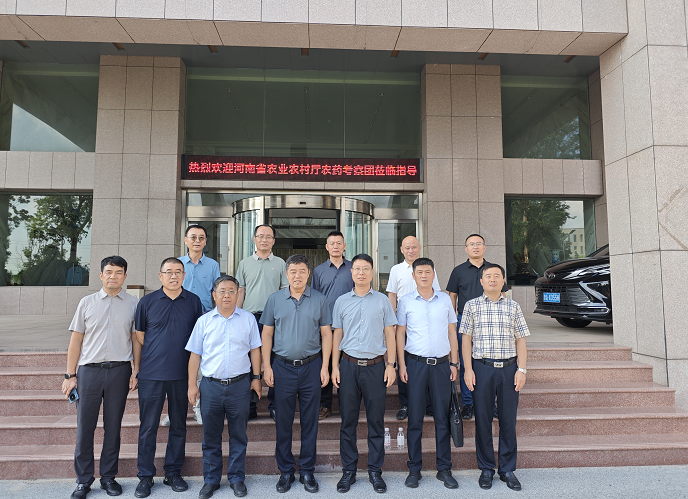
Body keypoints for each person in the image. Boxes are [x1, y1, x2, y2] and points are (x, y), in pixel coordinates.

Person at [62, 256, 140, 499]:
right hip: (89, 372)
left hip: (119, 371)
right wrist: (70, 375)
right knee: (85, 428)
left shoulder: (134, 303)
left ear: (125, 276)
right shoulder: (87, 303)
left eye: (118, 272)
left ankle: (108, 477)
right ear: (101, 275)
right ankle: (83, 480)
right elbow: (76, 340)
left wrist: (136, 369)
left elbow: (136, 339)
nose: (113, 276)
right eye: (109, 272)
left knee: (113, 427)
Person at [185, 275, 263, 499]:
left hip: (240, 385)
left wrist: (256, 378)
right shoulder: (204, 321)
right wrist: (192, 384)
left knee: (239, 434)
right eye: (222, 291)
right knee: (211, 436)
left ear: (238, 294)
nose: (227, 295)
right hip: (211, 386)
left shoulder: (248, 319)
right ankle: (211, 479)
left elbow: (255, 350)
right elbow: (195, 355)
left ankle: (237, 478)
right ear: (214, 295)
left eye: (231, 291)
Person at [260, 254, 332, 494]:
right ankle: (286, 471)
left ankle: (308, 471)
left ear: (308, 273)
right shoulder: (275, 299)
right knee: (283, 421)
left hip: (312, 366)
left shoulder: (320, 299)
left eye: (302, 271)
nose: (297, 275)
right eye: (293, 271)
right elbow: (267, 334)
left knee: (310, 421)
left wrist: (325, 367)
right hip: (282, 367)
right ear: (287, 274)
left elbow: (326, 334)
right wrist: (267, 366)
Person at [133, 257, 203, 498]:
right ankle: (145, 476)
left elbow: (198, 339)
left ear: (184, 275)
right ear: (160, 276)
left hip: (182, 374)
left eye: (178, 272)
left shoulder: (193, 301)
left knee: (178, 425)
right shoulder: (147, 302)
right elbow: (140, 335)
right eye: (169, 272)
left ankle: (173, 472)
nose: (174, 276)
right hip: (151, 374)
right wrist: (139, 367)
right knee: (148, 426)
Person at [331, 253, 397, 493]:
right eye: (357, 268)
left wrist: (391, 364)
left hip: (375, 367)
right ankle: (348, 471)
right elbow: (337, 335)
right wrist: (334, 366)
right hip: (348, 366)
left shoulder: (382, 301)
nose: (361, 272)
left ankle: (375, 471)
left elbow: (390, 333)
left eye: (366, 268)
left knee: (375, 422)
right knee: (347, 421)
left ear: (372, 272)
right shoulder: (341, 301)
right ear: (352, 272)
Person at [461, 263, 530, 492]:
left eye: (497, 276)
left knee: (508, 420)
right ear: (481, 281)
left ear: (503, 281)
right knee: (482, 419)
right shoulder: (471, 306)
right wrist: (468, 369)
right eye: (488, 276)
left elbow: (521, 340)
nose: (492, 279)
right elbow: (466, 340)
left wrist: (522, 370)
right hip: (482, 368)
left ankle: (507, 469)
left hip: (509, 369)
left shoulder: (513, 306)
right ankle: (486, 469)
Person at [396, 257, 459, 490]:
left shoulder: (445, 300)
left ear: (434, 274)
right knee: (415, 419)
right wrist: (401, 365)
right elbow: (400, 334)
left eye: (428, 272)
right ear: (413, 276)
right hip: (415, 364)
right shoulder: (405, 301)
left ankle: (444, 468)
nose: (424, 275)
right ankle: (414, 469)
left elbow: (452, 332)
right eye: (419, 272)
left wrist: (454, 363)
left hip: (442, 365)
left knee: (442, 418)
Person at [446, 233, 508, 421]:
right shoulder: (458, 271)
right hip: (464, 321)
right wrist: (452, 322)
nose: (475, 247)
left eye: (478, 243)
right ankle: (468, 403)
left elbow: (503, 295)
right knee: (466, 363)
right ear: (466, 249)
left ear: (484, 247)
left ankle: (492, 403)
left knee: (491, 363)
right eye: (471, 244)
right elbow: (452, 297)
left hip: (491, 322)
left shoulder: (494, 270)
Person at [236, 224, 287, 421]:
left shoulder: (281, 263)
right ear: (254, 239)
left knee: (275, 361)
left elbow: (284, 292)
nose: (264, 239)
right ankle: (250, 405)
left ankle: (274, 405)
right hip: (250, 318)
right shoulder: (244, 263)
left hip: (274, 319)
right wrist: (237, 316)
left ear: (273, 241)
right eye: (260, 236)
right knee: (249, 361)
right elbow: (241, 291)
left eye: (268, 237)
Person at [386, 235, 440, 420]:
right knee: (405, 364)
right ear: (402, 250)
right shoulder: (396, 270)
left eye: (414, 247)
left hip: (425, 325)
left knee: (426, 364)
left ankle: (429, 404)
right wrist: (392, 321)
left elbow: (436, 293)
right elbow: (392, 296)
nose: (411, 250)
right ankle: (406, 404)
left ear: (420, 248)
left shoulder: (428, 269)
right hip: (403, 324)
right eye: (407, 248)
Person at [173, 224, 221, 426]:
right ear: (186, 240)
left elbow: (217, 292)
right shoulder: (177, 264)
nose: (197, 241)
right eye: (193, 237)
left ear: (205, 241)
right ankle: (175, 411)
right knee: (177, 364)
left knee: (200, 363)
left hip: (204, 318)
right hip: (179, 319)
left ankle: (198, 408)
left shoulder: (212, 265)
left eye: (201, 237)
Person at [311, 230, 354, 420]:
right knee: (326, 363)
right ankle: (325, 404)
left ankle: (347, 405)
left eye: (339, 243)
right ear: (327, 247)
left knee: (347, 364)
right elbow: (315, 298)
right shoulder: (319, 271)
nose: (336, 246)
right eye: (332, 243)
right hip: (326, 325)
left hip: (350, 324)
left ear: (344, 246)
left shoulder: (353, 268)